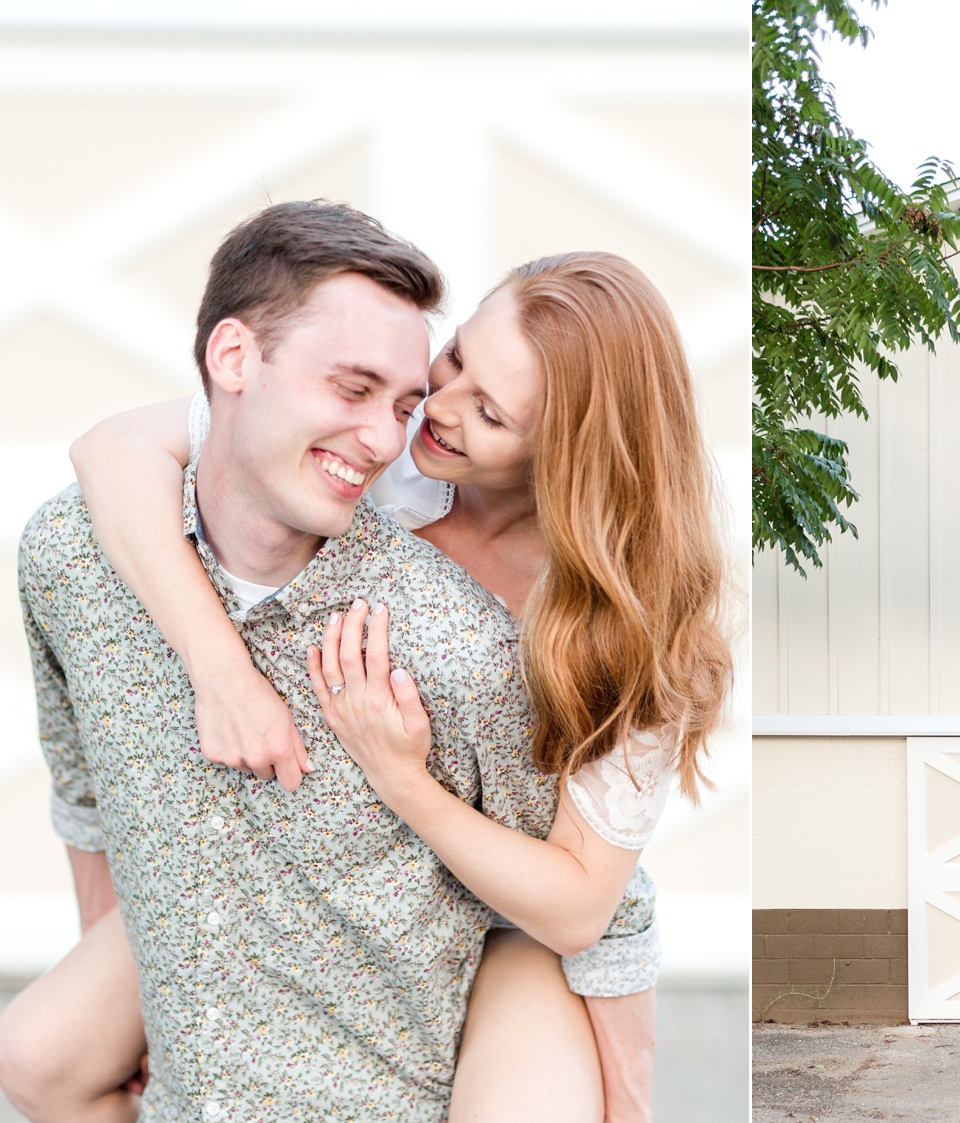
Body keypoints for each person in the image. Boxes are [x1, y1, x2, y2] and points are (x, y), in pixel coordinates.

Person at [0, 203, 730, 1121]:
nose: (434, 409)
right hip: (312, 854)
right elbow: (112, 451)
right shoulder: (376, 457)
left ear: (565, 452)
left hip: (508, 912)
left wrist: (404, 777)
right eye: (457, 358)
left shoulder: (623, 625)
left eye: (491, 412)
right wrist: (222, 672)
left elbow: (585, 908)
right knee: (35, 1055)